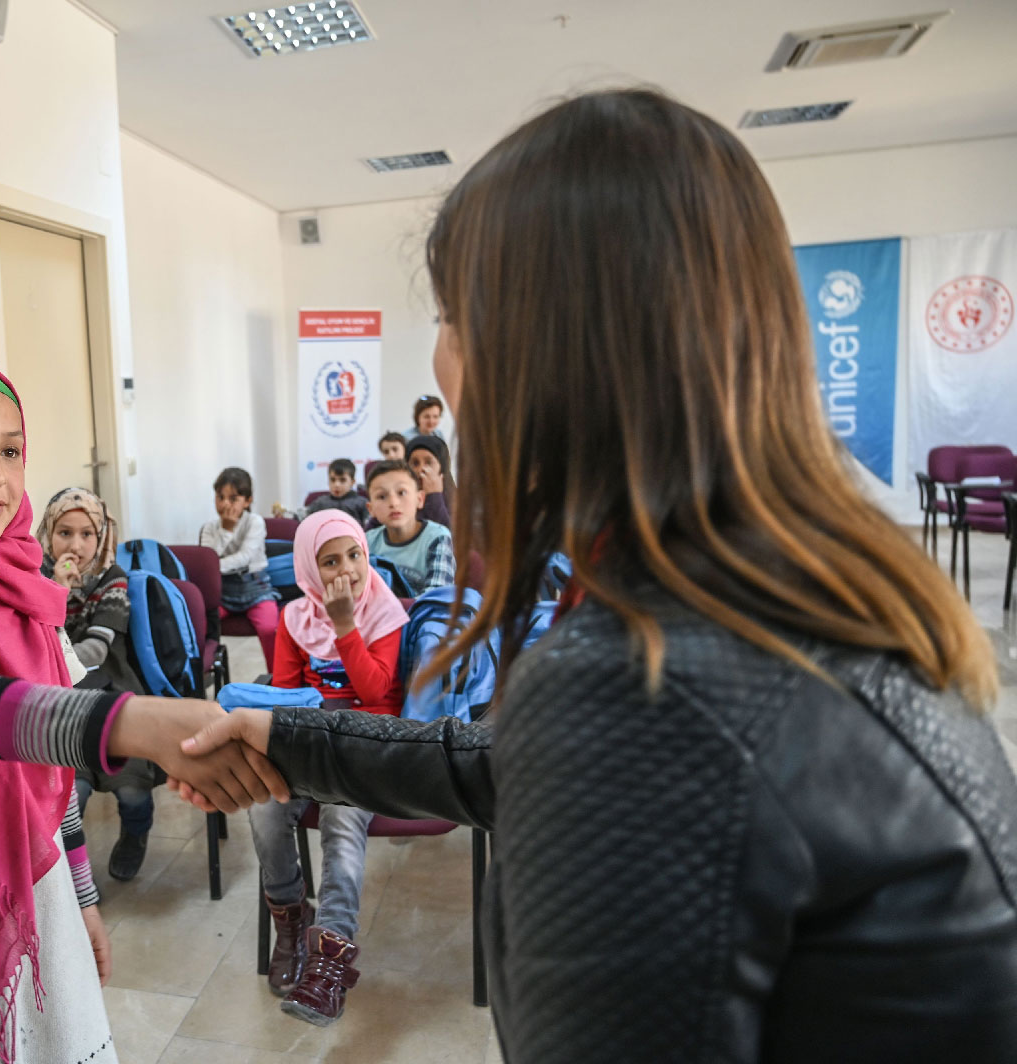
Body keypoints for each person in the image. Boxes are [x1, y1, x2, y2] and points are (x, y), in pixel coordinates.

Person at [172, 89, 1017, 1063]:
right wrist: (282, 733)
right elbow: (510, 761)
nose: (442, 359)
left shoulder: (638, 685)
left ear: (543, 352)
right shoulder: (774, 589)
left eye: (451, 315)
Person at [0, 359, 285, 1064]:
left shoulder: (27, 593)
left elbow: (47, 761)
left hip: (36, 890)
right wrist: (137, 724)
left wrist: (83, 898)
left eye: (11, 451)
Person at [250, 511, 409, 1026]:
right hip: (309, 743)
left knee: (342, 825)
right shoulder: (294, 618)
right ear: (310, 570)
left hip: (365, 745)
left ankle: (330, 959)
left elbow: (377, 695)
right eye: (330, 560)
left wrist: (345, 626)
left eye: (355, 555)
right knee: (265, 806)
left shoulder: (384, 612)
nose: (347, 570)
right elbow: (285, 696)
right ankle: (293, 921)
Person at [37, 487, 157, 882]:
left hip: (113, 692)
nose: (76, 545)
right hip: (62, 700)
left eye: (87, 534)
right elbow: (31, 637)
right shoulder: (37, 577)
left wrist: (53, 649)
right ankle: (75, 877)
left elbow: (95, 650)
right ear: (48, 533)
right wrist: (55, 590)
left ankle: (135, 835)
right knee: (74, 792)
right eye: (65, 533)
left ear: (101, 536)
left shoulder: (113, 578)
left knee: (133, 792)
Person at [199, 467, 279, 671]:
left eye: (233, 498)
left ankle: (277, 678)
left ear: (248, 500)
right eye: (220, 497)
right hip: (222, 591)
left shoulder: (255, 522)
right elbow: (207, 561)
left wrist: (215, 565)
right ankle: (206, 673)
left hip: (256, 589)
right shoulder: (209, 528)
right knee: (199, 622)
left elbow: (245, 558)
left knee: (270, 628)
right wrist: (225, 530)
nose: (225, 504)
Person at [364, 460, 455, 592]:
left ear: (420, 499)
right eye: (382, 496)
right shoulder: (368, 542)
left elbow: (436, 598)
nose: (393, 503)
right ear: (370, 509)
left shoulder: (437, 537)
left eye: (402, 493)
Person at [272, 458, 370, 525]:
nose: (336, 484)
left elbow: (369, 526)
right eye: (333, 480)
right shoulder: (320, 502)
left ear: (352, 482)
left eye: (342, 480)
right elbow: (302, 516)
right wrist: (284, 514)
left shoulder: (361, 503)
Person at [404, 434, 455, 517]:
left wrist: (434, 496)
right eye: (415, 463)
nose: (421, 469)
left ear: (442, 467)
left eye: (428, 463)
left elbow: (447, 529)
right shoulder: (401, 497)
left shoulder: (456, 499)